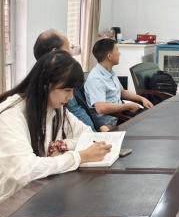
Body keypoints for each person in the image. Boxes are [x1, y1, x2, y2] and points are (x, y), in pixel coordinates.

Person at [0, 51, 112, 202]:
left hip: (37, 192)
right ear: (45, 86)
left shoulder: (54, 107)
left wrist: (62, 145)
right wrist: (80, 156)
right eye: (67, 90)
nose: (71, 97)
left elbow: (88, 135)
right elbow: (25, 170)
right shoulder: (10, 115)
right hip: (9, 202)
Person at [32, 29, 107, 131]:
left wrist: (101, 125)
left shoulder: (70, 76)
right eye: (68, 48)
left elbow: (87, 105)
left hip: (91, 133)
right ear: (55, 53)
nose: (71, 53)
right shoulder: (42, 95)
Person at [85, 38, 154, 127]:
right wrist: (127, 106)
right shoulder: (96, 79)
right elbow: (101, 108)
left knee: (150, 116)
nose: (119, 53)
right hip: (111, 122)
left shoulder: (110, 71)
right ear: (109, 56)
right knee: (147, 123)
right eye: (117, 50)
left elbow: (122, 92)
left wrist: (142, 99)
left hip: (120, 114)